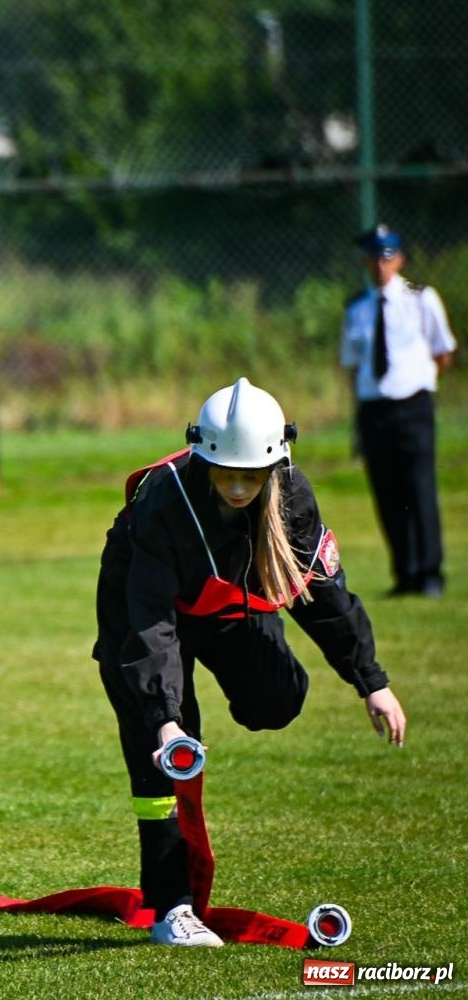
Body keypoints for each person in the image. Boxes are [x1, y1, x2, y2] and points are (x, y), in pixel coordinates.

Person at [93, 377, 407, 947]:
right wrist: (164, 717)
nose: (239, 487)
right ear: (202, 456)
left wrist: (370, 681)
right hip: (141, 614)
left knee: (277, 699)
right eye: (226, 473)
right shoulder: (165, 505)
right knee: (166, 757)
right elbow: (150, 623)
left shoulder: (291, 499)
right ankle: (173, 910)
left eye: (251, 475)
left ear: (276, 464)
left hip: (226, 606)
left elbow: (325, 595)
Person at [341, 223, 456, 597]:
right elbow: (353, 365)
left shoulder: (422, 299)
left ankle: (430, 572)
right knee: (387, 491)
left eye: (387, 256)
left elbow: (443, 353)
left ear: (400, 259)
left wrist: (418, 384)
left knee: (419, 487)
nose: (380, 264)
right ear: (365, 260)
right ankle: (404, 573)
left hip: (413, 404)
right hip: (375, 411)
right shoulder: (357, 308)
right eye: (374, 257)